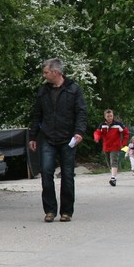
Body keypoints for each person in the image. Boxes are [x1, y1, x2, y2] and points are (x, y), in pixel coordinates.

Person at [29, 58, 88, 222]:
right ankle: (50, 210)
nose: (44, 75)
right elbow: (37, 115)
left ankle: (66, 211)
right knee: (46, 173)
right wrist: (33, 136)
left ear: (55, 72)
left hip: (68, 138)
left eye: (46, 72)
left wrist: (79, 132)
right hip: (47, 137)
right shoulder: (43, 91)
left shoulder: (74, 89)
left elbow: (81, 112)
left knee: (67, 175)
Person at [93, 109, 130, 187]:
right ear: (105, 117)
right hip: (106, 146)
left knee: (114, 161)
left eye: (111, 116)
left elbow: (126, 132)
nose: (109, 118)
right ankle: (113, 174)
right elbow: (97, 132)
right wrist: (97, 138)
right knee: (109, 162)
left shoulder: (118, 125)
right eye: (108, 116)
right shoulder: (102, 125)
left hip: (116, 146)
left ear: (113, 116)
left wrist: (124, 143)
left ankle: (113, 178)